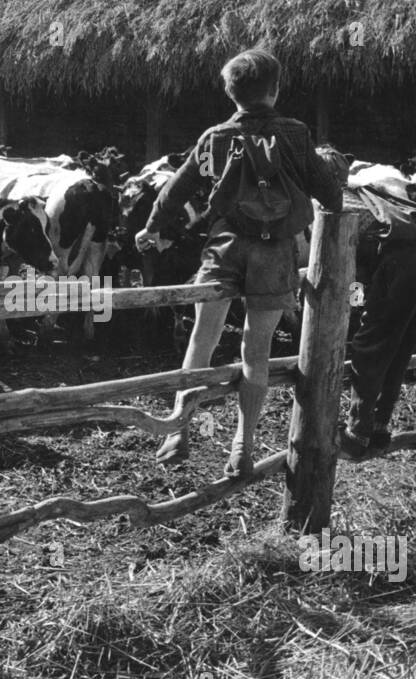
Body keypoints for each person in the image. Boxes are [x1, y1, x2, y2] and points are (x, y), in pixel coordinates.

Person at [135, 47, 343, 477]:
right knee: (256, 352)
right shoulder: (295, 133)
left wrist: (152, 229)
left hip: (224, 246)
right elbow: (328, 191)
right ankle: (241, 448)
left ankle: (178, 428)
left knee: (202, 340)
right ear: (276, 89)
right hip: (274, 253)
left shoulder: (215, 137)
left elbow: (176, 188)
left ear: (231, 93)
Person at [334, 159, 416, 459]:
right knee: (401, 346)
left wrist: (355, 306)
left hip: (398, 264)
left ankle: (357, 432)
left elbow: (357, 259)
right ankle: (380, 427)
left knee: (369, 347)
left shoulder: (356, 194)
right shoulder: (405, 190)